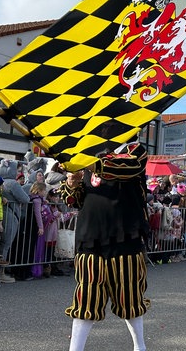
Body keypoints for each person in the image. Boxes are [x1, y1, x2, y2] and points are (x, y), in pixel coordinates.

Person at [59, 141, 151, 351]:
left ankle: (140, 346)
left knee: (130, 297)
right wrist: (72, 182)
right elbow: (74, 200)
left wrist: (87, 163)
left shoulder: (135, 150)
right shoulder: (89, 153)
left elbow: (128, 167)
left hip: (125, 236)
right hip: (91, 236)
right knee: (86, 298)